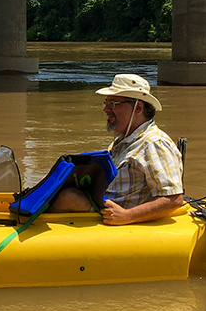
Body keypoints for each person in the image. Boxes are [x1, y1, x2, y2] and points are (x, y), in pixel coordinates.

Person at [48, 74, 184, 226]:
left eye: (113, 103)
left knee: (68, 198)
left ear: (138, 107)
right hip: (101, 207)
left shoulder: (154, 143)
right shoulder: (124, 140)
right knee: (56, 186)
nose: (106, 109)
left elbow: (174, 199)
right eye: (106, 103)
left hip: (118, 221)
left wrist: (128, 216)